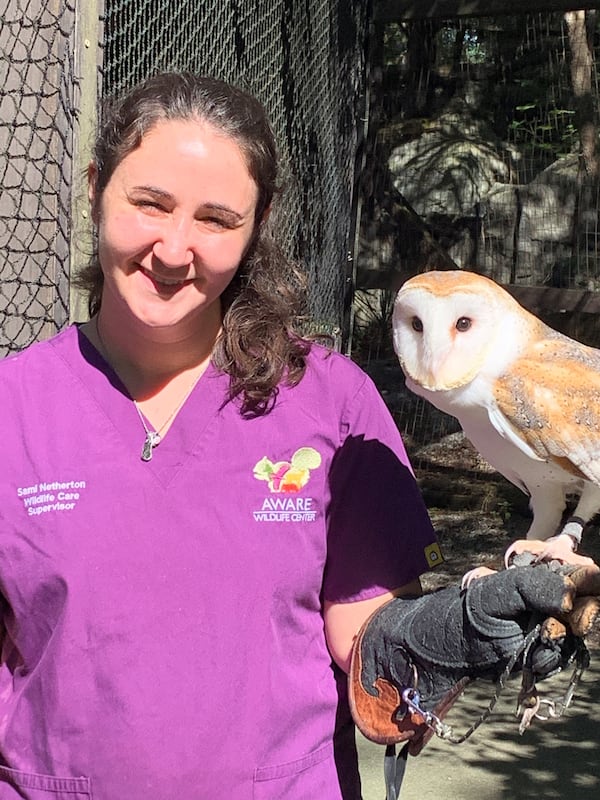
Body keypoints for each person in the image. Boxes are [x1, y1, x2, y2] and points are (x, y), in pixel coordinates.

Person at [0, 72, 597, 800]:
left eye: (217, 218)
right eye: (149, 203)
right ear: (96, 188)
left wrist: (456, 632)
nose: (175, 247)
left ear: (258, 225)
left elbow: (369, 645)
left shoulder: (329, 401)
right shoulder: (16, 406)